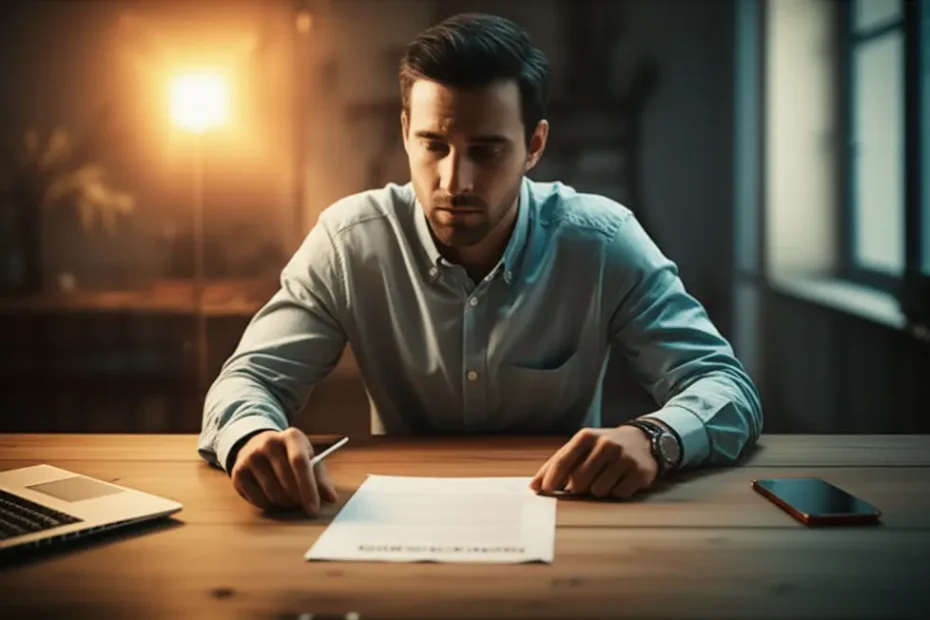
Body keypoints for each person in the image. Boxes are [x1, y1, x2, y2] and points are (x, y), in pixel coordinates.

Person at [197, 12, 762, 516]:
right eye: (433, 145)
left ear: (534, 145)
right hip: (395, 523)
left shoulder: (603, 241)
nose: (454, 182)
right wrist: (252, 438)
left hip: (568, 518)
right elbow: (247, 382)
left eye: (487, 151)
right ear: (404, 133)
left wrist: (654, 438)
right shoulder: (349, 242)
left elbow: (726, 388)